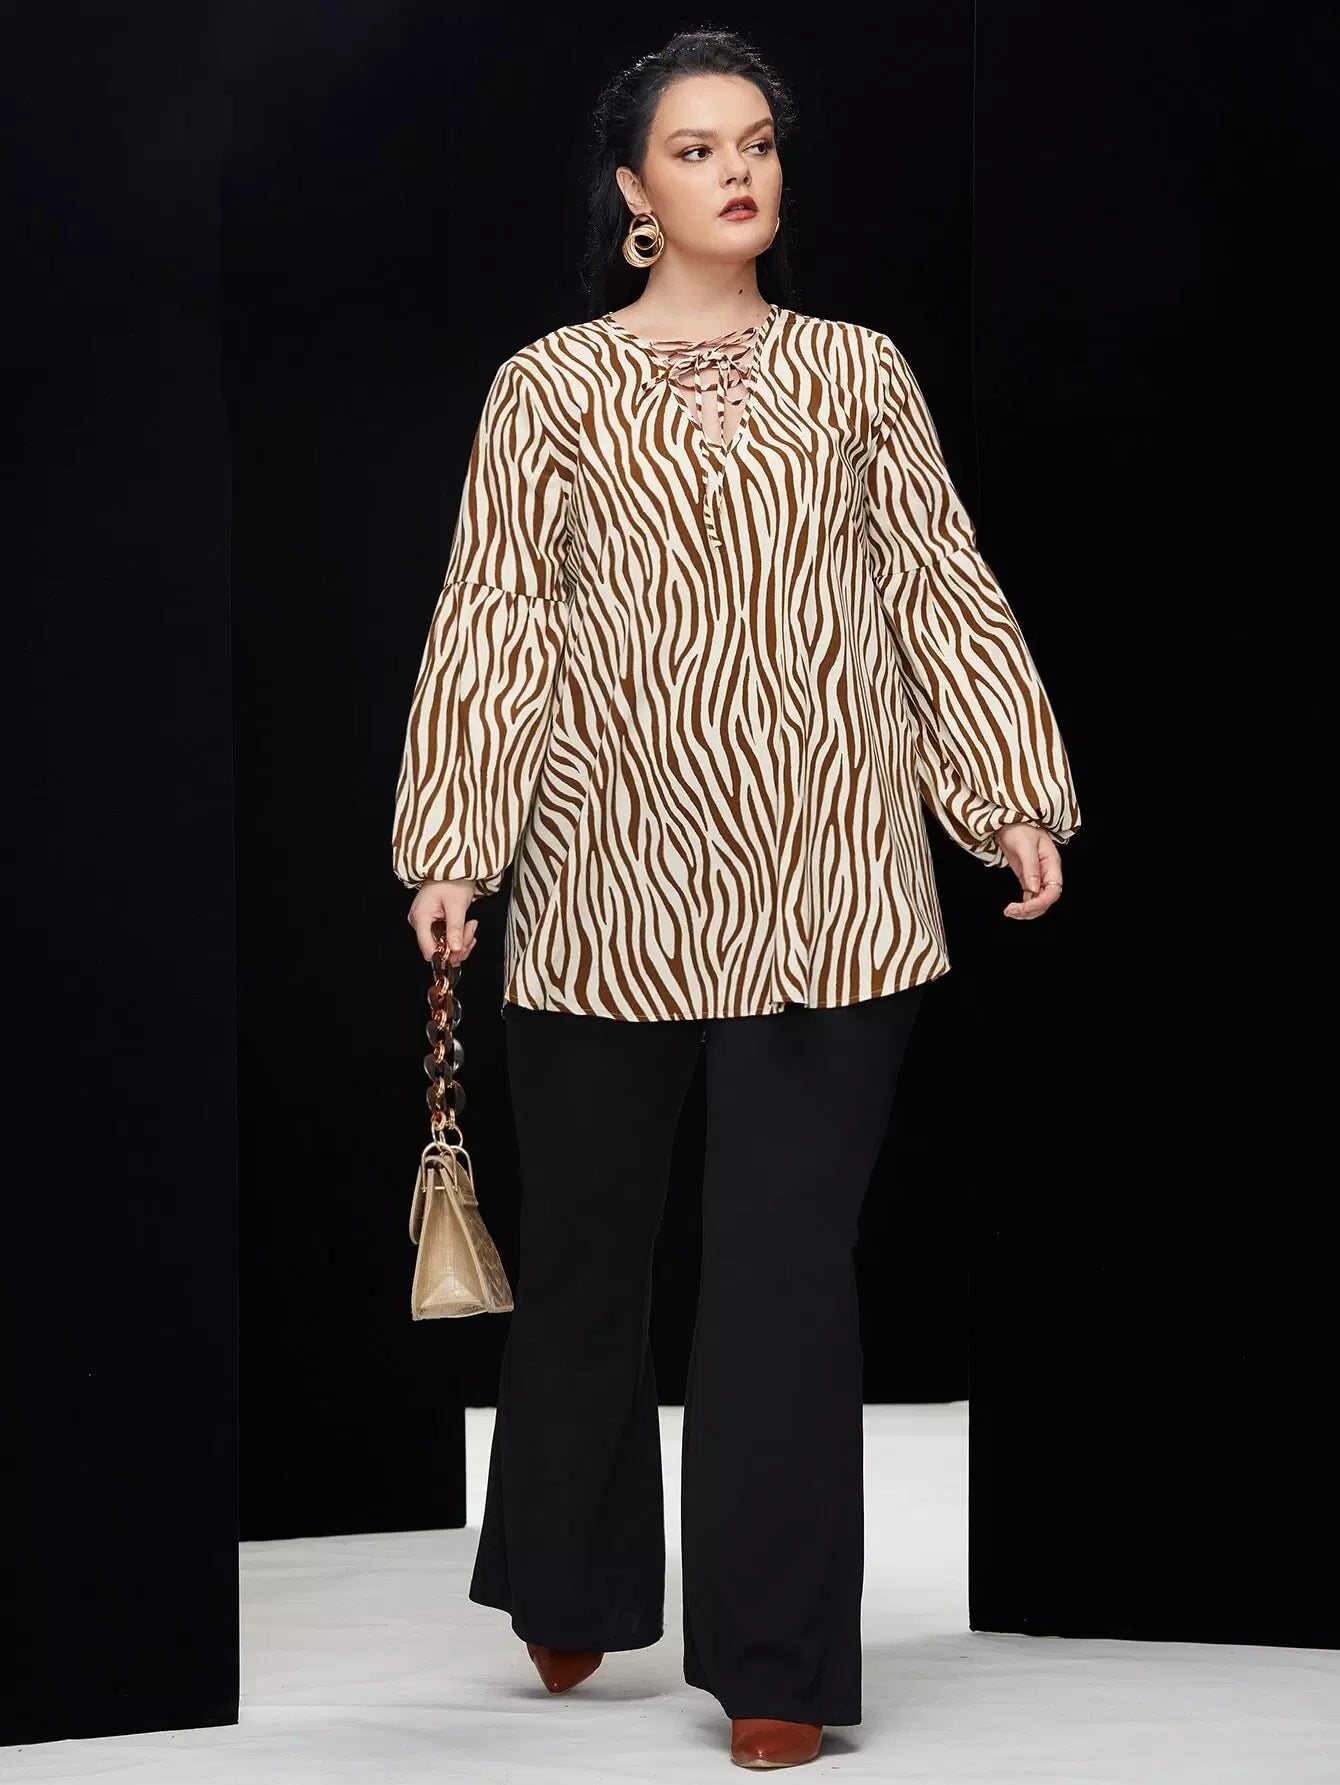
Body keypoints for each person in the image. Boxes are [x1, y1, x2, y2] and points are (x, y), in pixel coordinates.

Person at [391, 27, 1080, 1772]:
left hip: (832, 874)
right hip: (605, 871)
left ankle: (776, 1654)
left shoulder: (858, 370)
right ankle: (566, 1568)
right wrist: (456, 842)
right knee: (590, 1249)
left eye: (756, 142)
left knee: (784, 1267)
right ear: (636, 190)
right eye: (696, 150)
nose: (737, 171)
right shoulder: (549, 387)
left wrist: (1006, 792)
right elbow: (496, 615)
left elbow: (937, 584)